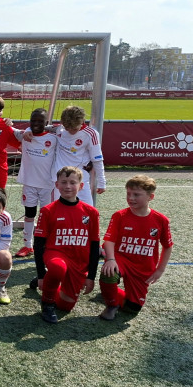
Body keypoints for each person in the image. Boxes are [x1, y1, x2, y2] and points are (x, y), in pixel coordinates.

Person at [99, 175, 173, 320]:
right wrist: (111, 259)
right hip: (121, 257)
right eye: (128, 194)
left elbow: (167, 246)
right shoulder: (119, 216)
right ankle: (111, 304)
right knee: (109, 272)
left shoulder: (161, 220)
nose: (131, 198)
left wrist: (160, 269)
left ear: (150, 197)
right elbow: (109, 240)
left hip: (143, 267)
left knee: (132, 308)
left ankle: (111, 292)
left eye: (136, 194)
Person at [34, 166, 100, 324]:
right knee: (57, 268)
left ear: (81, 186)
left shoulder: (91, 213)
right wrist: (42, 274)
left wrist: (91, 277)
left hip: (78, 262)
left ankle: (49, 283)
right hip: (56, 254)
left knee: (65, 305)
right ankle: (47, 304)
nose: (68, 186)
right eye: (63, 182)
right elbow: (38, 245)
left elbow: (95, 246)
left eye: (72, 182)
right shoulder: (48, 210)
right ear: (57, 185)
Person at [13, 108, 57, 257]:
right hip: (29, 183)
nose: (36, 123)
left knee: (47, 217)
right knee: (29, 214)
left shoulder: (53, 138)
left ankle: (47, 245)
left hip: (48, 185)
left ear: (46, 122)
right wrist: (25, 130)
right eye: (33, 120)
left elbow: (65, 130)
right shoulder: (25, 136)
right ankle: (27, 246)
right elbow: (9, 128)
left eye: (40, 121)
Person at [52, 105, 106, 206]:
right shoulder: (60, 130)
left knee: (87, 212)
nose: (71, 131)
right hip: (60, 180)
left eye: (74, 128)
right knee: (59, 214)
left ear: (82, 122)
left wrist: (102, 182)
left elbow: (97, 159)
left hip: (81, 180)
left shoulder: (91, 134)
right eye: (68, 128)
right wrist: (28, 132)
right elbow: (42, 129)